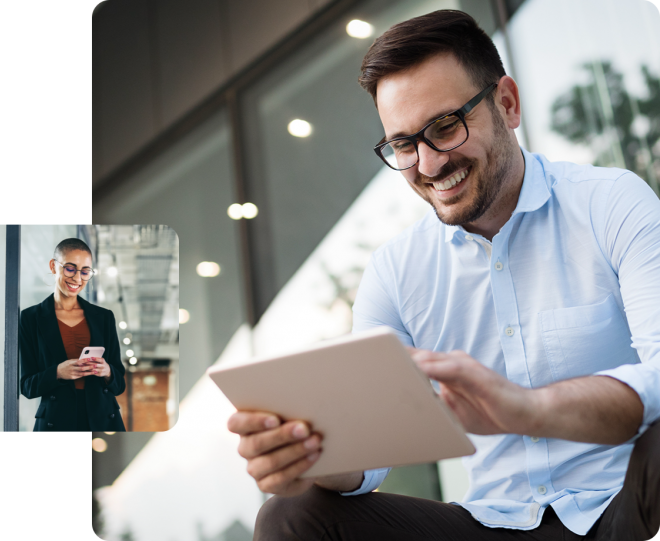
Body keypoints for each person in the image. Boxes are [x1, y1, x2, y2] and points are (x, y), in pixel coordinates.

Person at [227, 9, 660, 540]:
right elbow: (370, 448)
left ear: (507, 103)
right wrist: (308, 456)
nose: (428, 165)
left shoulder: (611, 203)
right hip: (491, 525)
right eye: (405, 144)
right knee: (290, 515)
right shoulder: (395, 272)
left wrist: (528, 409)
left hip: (626, 510)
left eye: (445, 127)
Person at [20, 238, 126, 432]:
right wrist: (57, 373)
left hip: (102, 419)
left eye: (85, 272)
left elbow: (119, 385)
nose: (78, 279)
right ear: (54, 266)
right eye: (70, 268)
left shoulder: (104, 317)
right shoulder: (30, 318)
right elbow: (27, 386)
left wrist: (107, 371)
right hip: (55, 419)